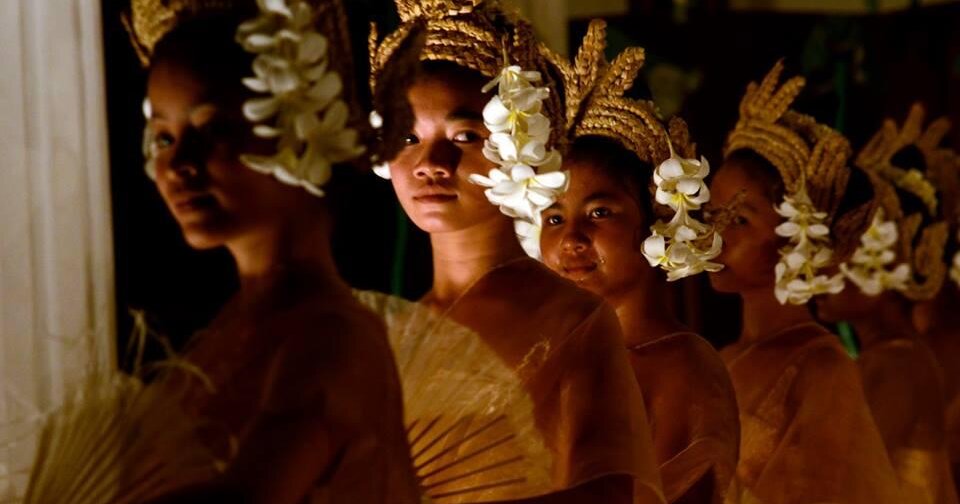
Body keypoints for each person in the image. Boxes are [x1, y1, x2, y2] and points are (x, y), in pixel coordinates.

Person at [365, 1, 663, 502]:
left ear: (519, 146)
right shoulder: (395, 332)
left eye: (465, 136)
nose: (430, 163)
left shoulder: (572, 321)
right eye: (408, 136)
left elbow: (606, 492)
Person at [125, 0, 420, 501]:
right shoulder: (229, 332)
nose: (178, 165)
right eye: (164, 138)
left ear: (300, 125)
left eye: (213, 128)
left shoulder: (332, 339)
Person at [538, 20, 739, 504]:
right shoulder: (551, 360)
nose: (572, 237)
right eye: (553, 217)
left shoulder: (680, 366)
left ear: (658, 218)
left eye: (600, 212)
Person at [706, 60, 902, 503]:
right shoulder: (722, 358)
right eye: (711, 212)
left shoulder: (821, 367)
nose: (713, 234)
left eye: (739, 219)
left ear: (796, 233)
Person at [816, 103, 957, 503]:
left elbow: (839, 481)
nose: (824, 266)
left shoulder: (898, 363)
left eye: (846, 248)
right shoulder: (884, 358)